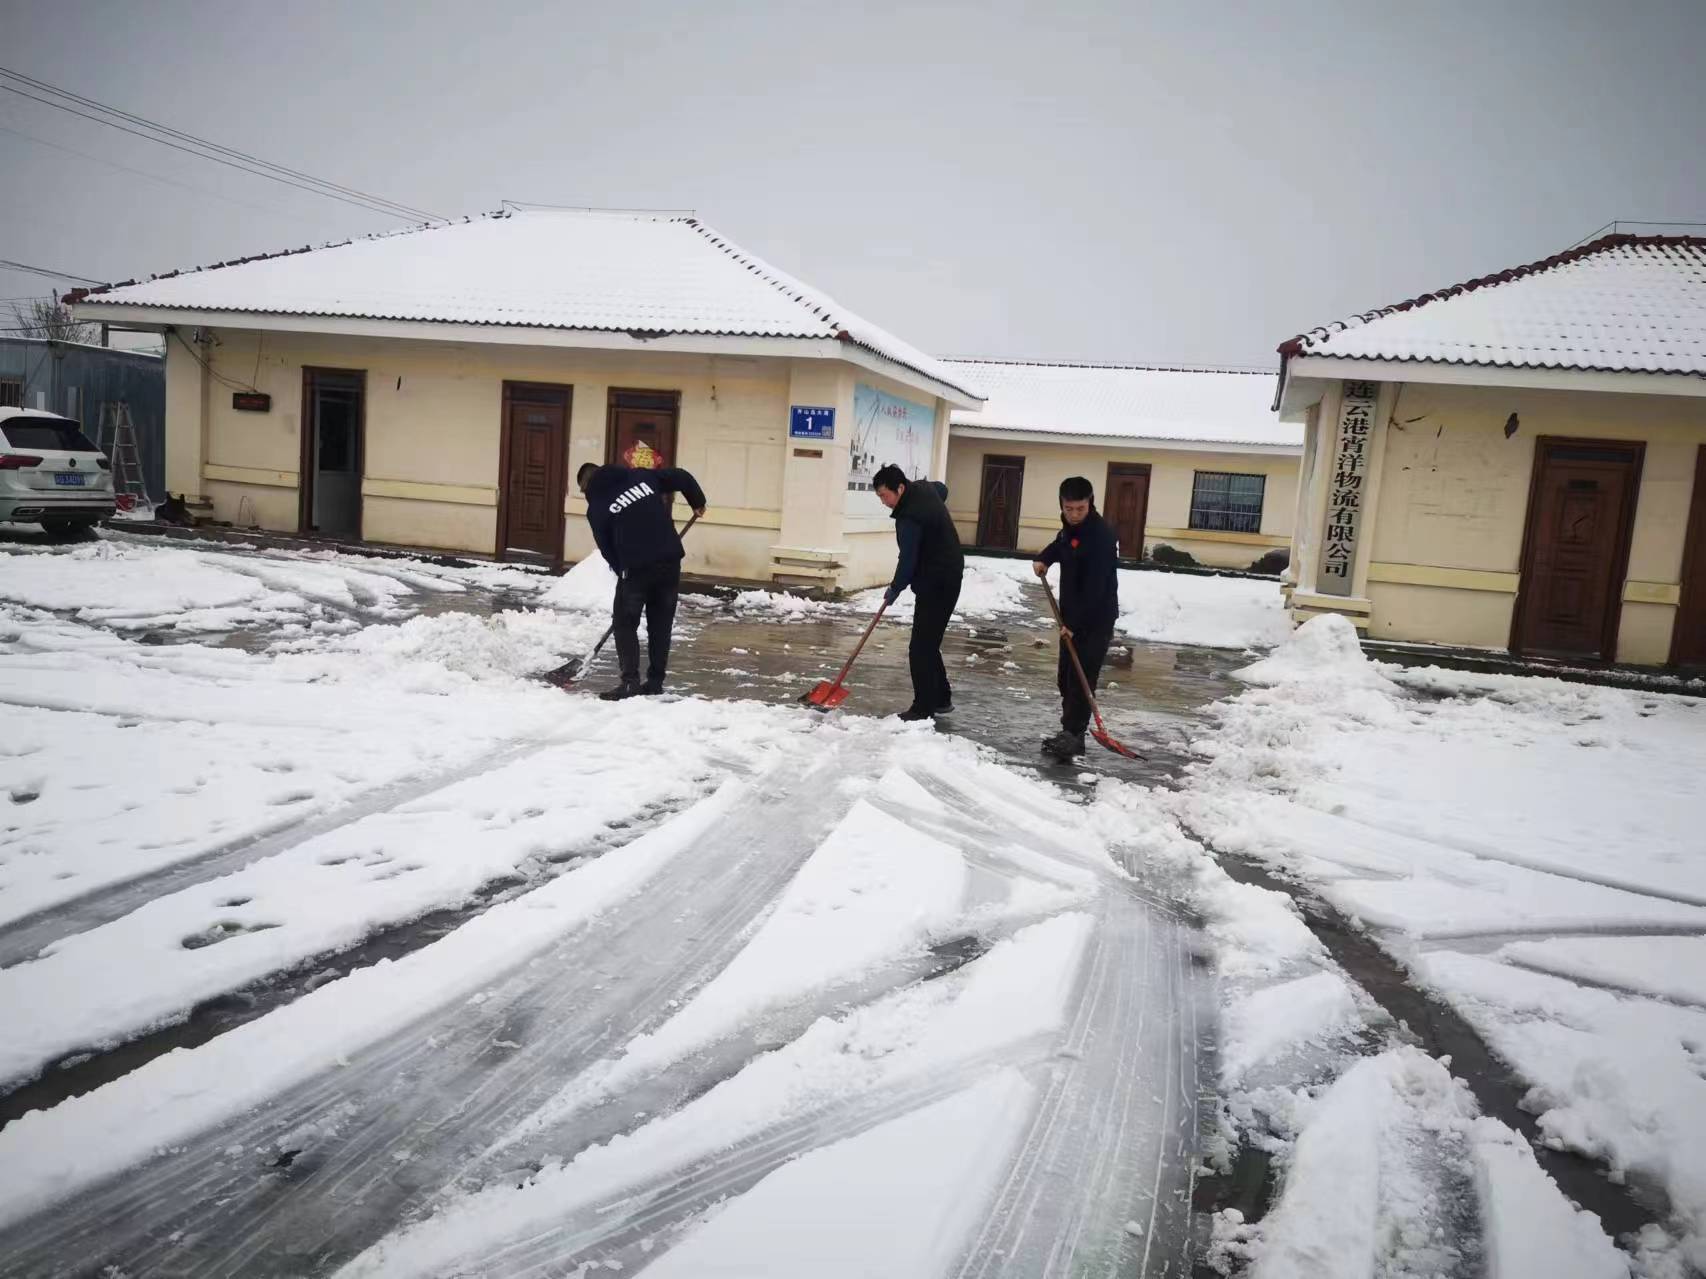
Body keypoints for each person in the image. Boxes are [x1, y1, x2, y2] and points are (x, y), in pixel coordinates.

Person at [578, 461, 707, 701]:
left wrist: (623, 570)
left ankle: (630, 683)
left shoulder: (597, 507)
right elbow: (681, 476)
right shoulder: (641, 476)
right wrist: (697, 502)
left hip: (636, 569)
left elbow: (606, 548)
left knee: (624, 623)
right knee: (660, 624)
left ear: (586, 487)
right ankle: (655, 682)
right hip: (669, 561)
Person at [1032, 475, 1119, 760]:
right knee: (1066, 678)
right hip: (1072, 617)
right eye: (1068, 509)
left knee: (1081, 679)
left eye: (1080, 509)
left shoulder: (1101, 536)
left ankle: (1073, 735)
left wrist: (1074, 625)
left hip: (1095, 619)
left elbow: (1095, 588)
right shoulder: (1070, 528)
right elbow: (1061, 544)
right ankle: (1070, 731)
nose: (1074, 514)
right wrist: (1045, 558)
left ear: (1090, 503)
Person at [873, 463, 965, 721]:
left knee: (920, 647)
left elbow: (908, 559)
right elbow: (942, 489)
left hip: (936, 581)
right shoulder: (925, 489)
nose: (883, 502)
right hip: (950, 573)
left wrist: (895, 588)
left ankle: (922, 707)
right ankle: (941, 698)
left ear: (900, 489)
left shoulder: (909, 517)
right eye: (879, 496)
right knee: (929, 642)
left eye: (884, 495)